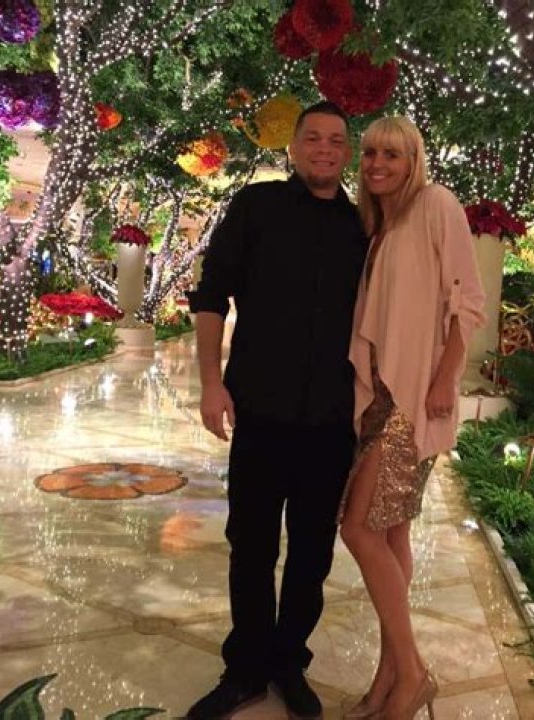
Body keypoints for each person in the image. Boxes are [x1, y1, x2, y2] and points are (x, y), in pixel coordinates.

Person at [186, 101, 368, 720]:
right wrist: (211, 384)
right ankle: (245, 670)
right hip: (260, 410)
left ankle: (289, 663)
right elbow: (211, 296)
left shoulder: (362, 226)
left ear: (347, 153)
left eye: (336, 140)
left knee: (312, 552)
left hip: (331, 420)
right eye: (313, 138)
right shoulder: (255, 206)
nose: (324, 149)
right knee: (251, 545)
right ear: (292, 147)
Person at [338, 117, 486, 720]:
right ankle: (390, 676)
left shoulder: (435, 204)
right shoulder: (380, 226)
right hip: (377, 397)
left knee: (358, 529)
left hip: (411, 398)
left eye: (392, 154)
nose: (378, 162)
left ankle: (414, 673)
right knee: (390, 532)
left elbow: (466, 299)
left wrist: (445, 378)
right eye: (371, 151)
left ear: (413, 159)